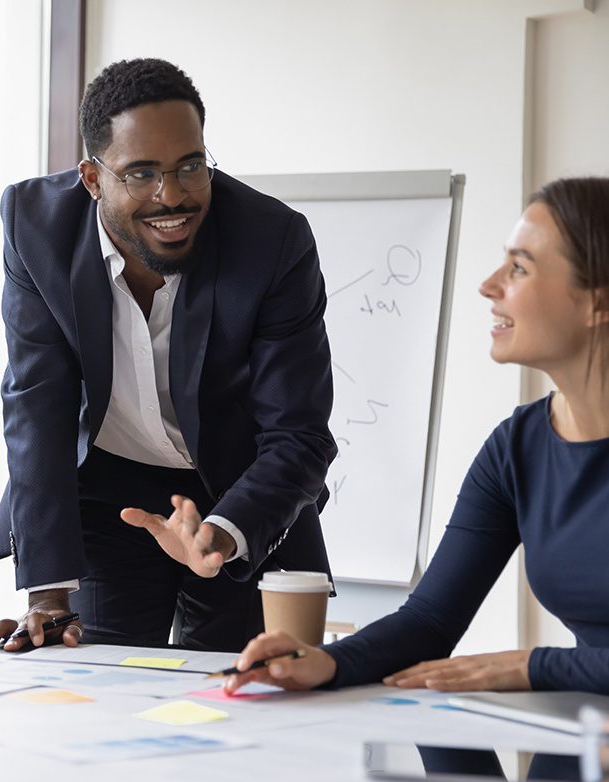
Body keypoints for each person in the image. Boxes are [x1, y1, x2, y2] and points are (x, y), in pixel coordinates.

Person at [0, 58, 336, 652]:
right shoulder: (35, 226)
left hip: (241, 496)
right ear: (93, 179)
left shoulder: (272, 241)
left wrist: (221, 535)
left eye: (189, 167)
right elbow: (36, 406)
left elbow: (299, 432)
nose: (171, 196)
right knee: (100, 695)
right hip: (109, 501)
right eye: (140, 174)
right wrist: (46, 592)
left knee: (239, 707)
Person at [227, 176, 609, 696]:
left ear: (596, 304)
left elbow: (528, 667)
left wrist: (533, 666)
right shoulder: (517, 449)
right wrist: (323, 662)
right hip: (583, 728)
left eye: (519, 268)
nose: (489, 284)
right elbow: (430, 620)